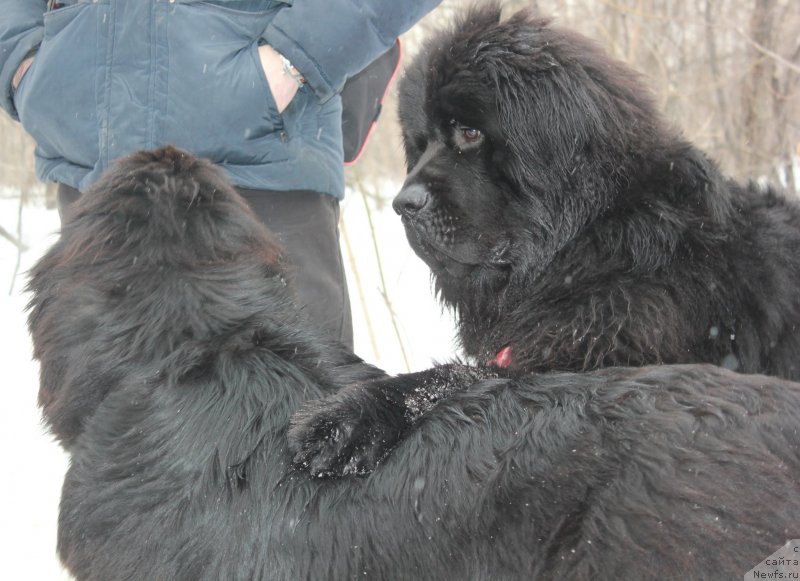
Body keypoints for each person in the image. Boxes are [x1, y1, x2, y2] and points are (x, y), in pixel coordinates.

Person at [0, 0, 442, 349]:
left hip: (261, 167)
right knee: (116, 445)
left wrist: (295, 58)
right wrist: (20, 60)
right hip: (92, 167)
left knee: (293, 437)